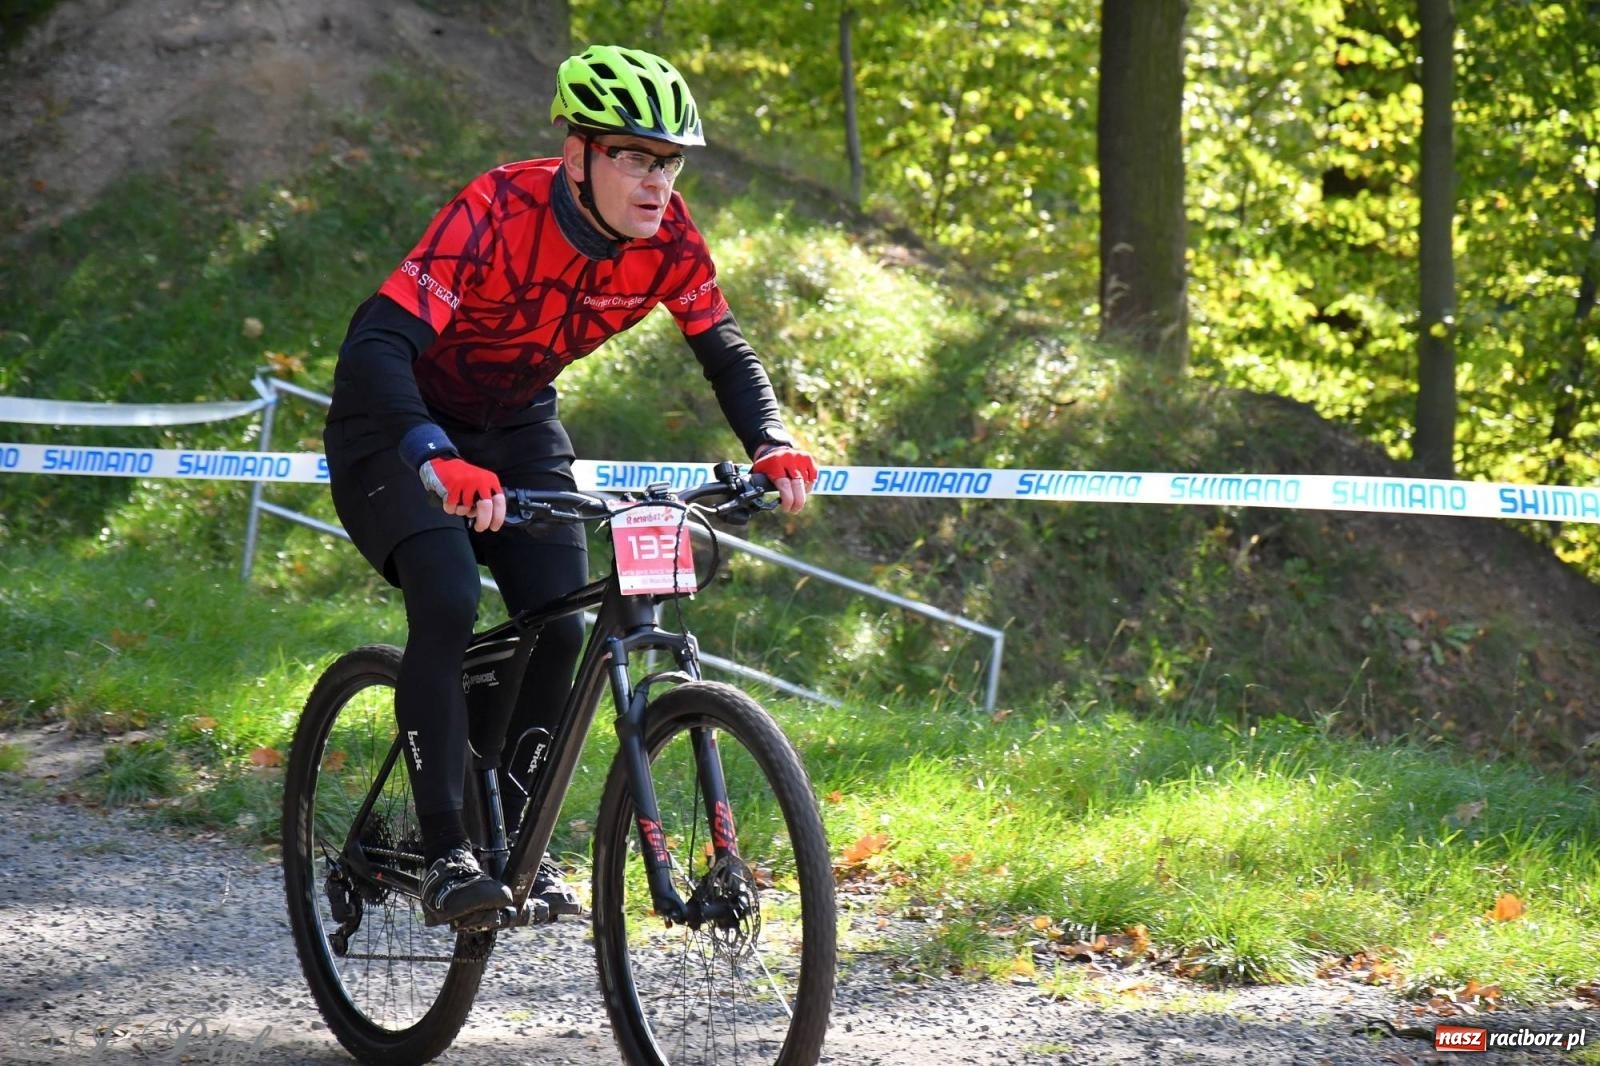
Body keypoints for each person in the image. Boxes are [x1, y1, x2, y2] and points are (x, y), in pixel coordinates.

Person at [322, 44, 819, 926]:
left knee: (565, 625)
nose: (655, 180)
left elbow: (725, 350)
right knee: (443, 599)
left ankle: (511, 833)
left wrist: (770, 440)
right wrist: (434, 454)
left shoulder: (669, 239)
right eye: (632, 155)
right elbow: (376, 347)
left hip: (513, 425)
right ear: (578, 153)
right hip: (395, 421)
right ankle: (444, 852)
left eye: (667, 160)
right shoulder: (496, 209)